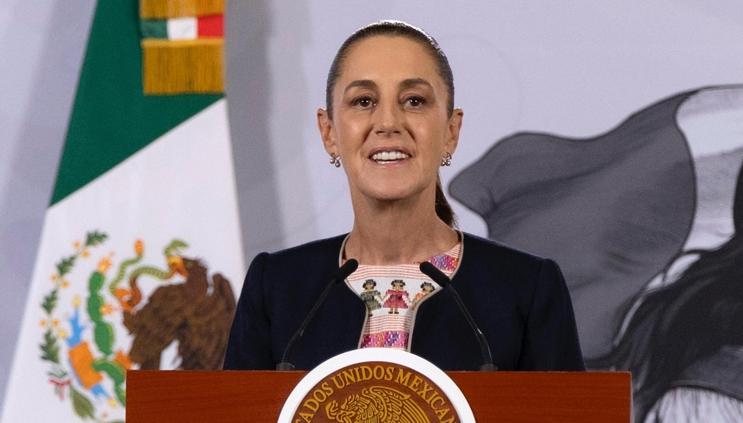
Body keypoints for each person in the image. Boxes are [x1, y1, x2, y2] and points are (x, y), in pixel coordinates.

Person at [223, 20, 584, 371]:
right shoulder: (276, 287)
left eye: (414, 100)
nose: (388, 123)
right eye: (364, 101)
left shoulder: (527, 288)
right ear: (329, 132)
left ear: (451, 131)